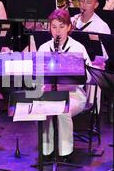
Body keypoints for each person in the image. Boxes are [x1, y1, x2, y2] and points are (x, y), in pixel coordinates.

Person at [37, 9, 92, 161]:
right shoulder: (43, 48)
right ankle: (47, 150)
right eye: (54, 27)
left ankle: (65, 151)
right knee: (43, 109)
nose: (57, 31)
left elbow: (87, 77)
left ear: (69, 27)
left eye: (61, 27)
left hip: (73, 94)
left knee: (63, 110)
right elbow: (38, 77)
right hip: (49, 91)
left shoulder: (78, 48)